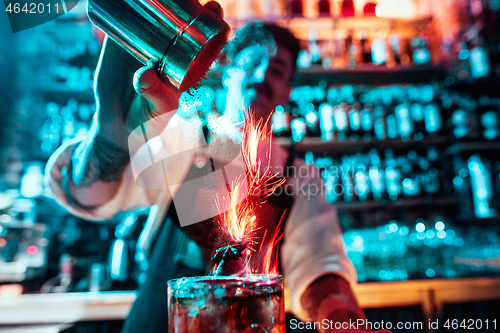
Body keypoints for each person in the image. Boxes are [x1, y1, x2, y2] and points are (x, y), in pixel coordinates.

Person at [45, 3, 379, 333]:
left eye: (276, 69)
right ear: (229, 67)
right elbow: (94, 196)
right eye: (253, 61)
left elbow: (321, 269)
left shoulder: (298, 177)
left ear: (287, 91)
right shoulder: (183, 139)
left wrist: (346, 324)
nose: (262, 74)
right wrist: (109, 143)